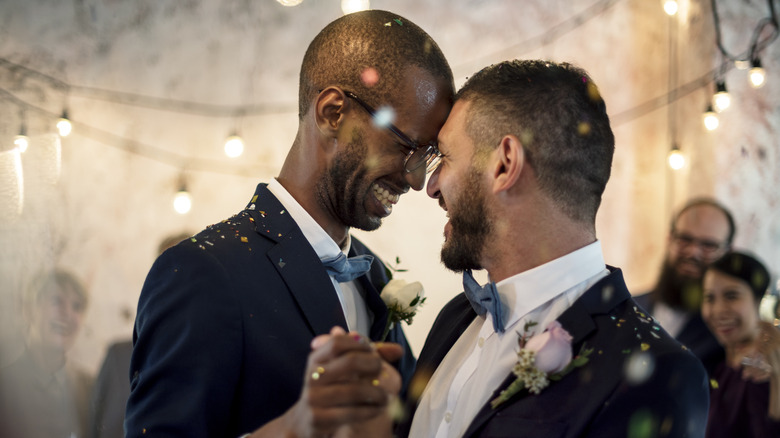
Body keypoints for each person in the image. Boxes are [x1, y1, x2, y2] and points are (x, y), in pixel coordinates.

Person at [125, 9, 454, 438]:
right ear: (332, 113)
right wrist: (292, 429)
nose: (414, 180)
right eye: (407, 146)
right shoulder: (201, 272)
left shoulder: (375, 274)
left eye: (426, 158)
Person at [396, 60, 709, 437]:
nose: (430, 186)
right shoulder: (456, 318)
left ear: (505, 164)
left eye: (444, 157)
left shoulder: (657, 372)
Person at [89, 232, 192, 438]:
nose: (178, 277)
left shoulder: (223, 362)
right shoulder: (118, 357)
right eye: (168, 267)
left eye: (190, 267)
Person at [635, 198, 735, 373]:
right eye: (684, 239)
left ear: (728, 253)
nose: (693, 252)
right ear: (669, 239)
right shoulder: (628, 305)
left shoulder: (729, 334)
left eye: (708, 245)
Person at [0, 268, 93, 437]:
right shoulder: (4, 385)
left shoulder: (91, 387)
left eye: (77, 306)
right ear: (28, 310)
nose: (68, 314)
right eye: (57, 301)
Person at [701, 251, 780, 437]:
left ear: (759, 300)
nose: (718, 310)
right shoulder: (723, 364)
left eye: (732, 296)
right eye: (709, 298)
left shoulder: (762, 371)